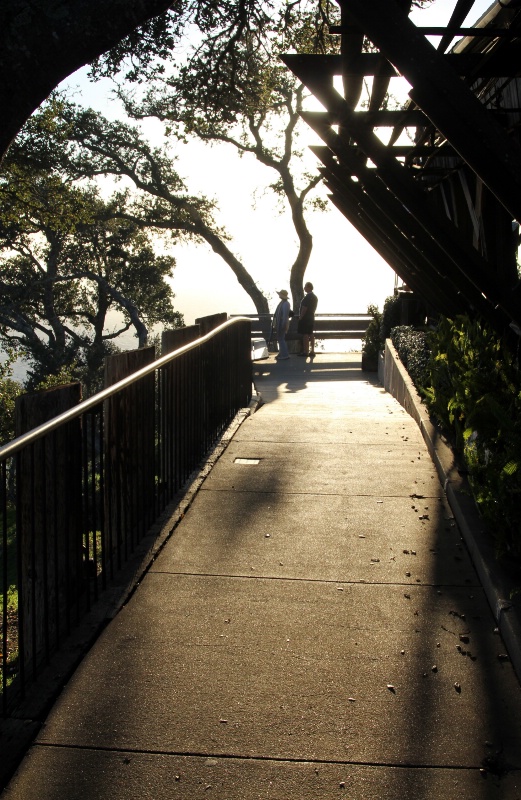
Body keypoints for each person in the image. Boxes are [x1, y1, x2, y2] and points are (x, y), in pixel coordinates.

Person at [297, 281, 318, 357]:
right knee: (311, 334)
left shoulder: (307, 298)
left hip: (305, 318)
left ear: (309, 287)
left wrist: (301, 317)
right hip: (311, 317)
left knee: (305, 334)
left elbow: (304, 308)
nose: (304, 288)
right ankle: (312, 351)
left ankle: (306, 351)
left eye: (305, 287)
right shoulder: (315, 297)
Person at [272, 289, 291, 360]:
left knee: (281, 339)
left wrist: (284, 324)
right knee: (280, 338)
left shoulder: (286, 304)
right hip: (279, 323)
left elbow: (285, 315)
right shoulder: (282, 303)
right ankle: (281, 353)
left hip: (282, 323)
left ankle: (285, 354)